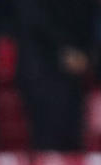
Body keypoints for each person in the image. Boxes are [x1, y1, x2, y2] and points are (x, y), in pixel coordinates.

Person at [12, 0, 94, 151]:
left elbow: (86, 17)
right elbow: (32, 19)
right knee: (48, 140)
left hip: (72, 75)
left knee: (71, 139)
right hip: (41, 70)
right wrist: (65, 50)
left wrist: (84, 53)